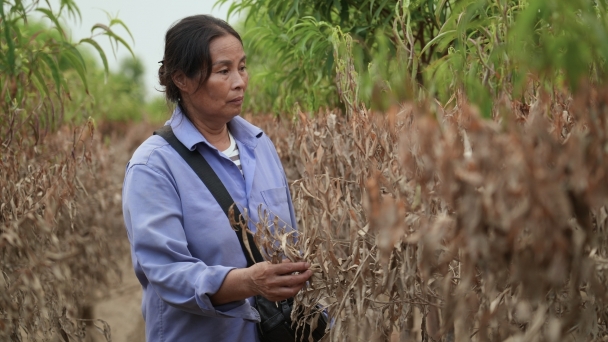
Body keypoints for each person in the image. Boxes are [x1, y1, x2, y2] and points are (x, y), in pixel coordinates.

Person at [122, 15, 313, 342]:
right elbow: (167, 273)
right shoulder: (154, 166)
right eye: (224, 71)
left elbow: (288, 241)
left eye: (242, 67)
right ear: (182, 79)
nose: (240, 81)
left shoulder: (259, 146)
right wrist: (249, 283)